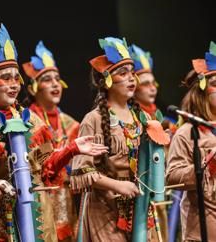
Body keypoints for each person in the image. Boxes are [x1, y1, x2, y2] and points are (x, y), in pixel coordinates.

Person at [0, 24, 108, 241]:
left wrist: (72, 149)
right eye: (5, 78)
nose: (14, 85)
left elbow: (46, 170)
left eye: (16, 78)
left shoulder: (31, 120)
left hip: (38, 219)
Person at [70, 37, 155, 241]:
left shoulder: (143, 118)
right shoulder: (94, 120)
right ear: (106, 80)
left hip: (139, 206)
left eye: (131, 73)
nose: (131, 78)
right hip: (105, 209)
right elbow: (82, 172)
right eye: (122, 73)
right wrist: (117, 185)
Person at [22, 41, 79, 241]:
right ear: (32, 89)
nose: (55, 83)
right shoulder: (27, 123)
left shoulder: (71, 123)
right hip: (39, 201)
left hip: (67, 202)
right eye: (47, 79)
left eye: (57, 78)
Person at [166, 41, 216, 242]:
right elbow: (172, 178)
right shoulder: (187, 132)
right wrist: (208, 166)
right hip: (202, 232)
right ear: (201, 91)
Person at [131, 44, 169, 242]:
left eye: (154, 83)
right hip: (138, 195)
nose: (152, 87)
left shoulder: (166, 121)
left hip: (162, 194)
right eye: (145, 83)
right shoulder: (131, 120)